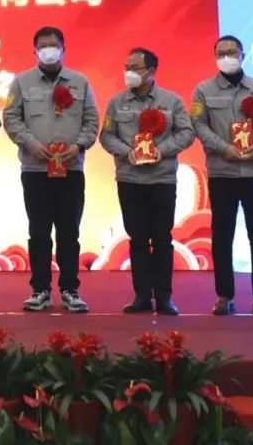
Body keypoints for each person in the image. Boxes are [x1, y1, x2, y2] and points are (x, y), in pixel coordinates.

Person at [3, 26, 99, 313]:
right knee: (39, 232)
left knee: (69, 231)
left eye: (53, 45)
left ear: (63, 49)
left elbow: (92, 121)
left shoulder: (80, 82)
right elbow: (11, 118)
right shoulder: (22, 82)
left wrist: (78, 146)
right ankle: (40, 290)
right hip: (35, 169)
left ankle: (70, 289)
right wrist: (31, 144)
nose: (49, 50)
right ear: (34, 51)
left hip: (71, 169)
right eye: (43, 46)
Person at [191, 35, 253, 317]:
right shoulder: (203, 90)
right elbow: (198, 124)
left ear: (243, 55)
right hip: (223, 172)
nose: (227, 57)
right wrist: (223, 148)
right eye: (221, 53)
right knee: (222, 235)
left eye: (232, 52)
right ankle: (224, 296)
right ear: (215, 57)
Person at [99, 48, 194, 315]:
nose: (129, 72)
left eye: (135, 68)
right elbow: (106, 136)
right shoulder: (117, 102)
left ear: (151, 72)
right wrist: (126, 152)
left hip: (162, 178)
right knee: (137, 238)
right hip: (130, 179)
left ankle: (164, 297)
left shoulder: (172, 101)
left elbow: (187, 132)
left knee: (162, 238)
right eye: (126, 67)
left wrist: (163, 150)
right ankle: (141, 296)